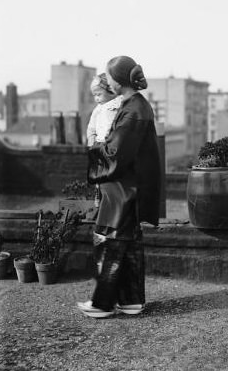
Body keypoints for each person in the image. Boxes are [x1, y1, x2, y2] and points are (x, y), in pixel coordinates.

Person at [77, 56, 161, 318]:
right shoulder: (135, 105)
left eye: (109, 76)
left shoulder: (133, 108)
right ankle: (131, 300)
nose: (108, 80)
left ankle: (102, 303)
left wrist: (93, 150)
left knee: (109, 240)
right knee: (129, 243)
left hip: (123, 189)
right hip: (129, 187)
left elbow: (116, 152)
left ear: (119, 79)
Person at [86, 73, 122, 274]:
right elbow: (91, 128)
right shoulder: (98, 109)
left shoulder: (118, 105)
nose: (96, 98)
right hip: (99, 150)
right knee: (99, 181)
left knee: (109, 183)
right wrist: (92, 141)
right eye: (94, 95)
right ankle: (99, 205)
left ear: (110, 90)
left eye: (99, 93)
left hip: (110, 150)